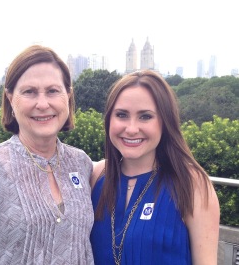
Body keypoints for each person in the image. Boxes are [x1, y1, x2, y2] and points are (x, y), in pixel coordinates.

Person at [0, 45, 94, 264]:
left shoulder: (81, 163)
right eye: (29, 92)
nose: (42, 104)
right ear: (10, 98)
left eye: (53, 91)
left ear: (68, 97)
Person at [90, 70, 220, 265]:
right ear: (109, 120)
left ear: (165, 122)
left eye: (145, 117)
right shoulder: (97, 175)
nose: (132, 128)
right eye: (122, 115)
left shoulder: (192, 184)